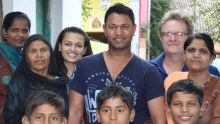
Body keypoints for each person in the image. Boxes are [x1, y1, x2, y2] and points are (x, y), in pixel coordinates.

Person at [67, 3, 166, 124]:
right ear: (104, 29)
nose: (118, 32)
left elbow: (159, 120)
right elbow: (75, 113)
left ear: (134, 29)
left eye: (125, 27)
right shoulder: (84, 66)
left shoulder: (149, 72)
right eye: (112, 27)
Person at [3, 34, 69, 124]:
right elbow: (10, 117)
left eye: (43, 50)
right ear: (26, 57)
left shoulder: (60, 82)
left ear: (50, 53)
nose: (39, 55)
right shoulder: (18, 83)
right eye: (33, 51)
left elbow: (65, 114)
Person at [164, 33, 220, 123]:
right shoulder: (173, 80)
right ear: (184, 56)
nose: (196, 55)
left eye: (203, 51)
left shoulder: (217, 87)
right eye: (191, 50)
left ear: (212, 58)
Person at [149, 10, 220, 80]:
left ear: (190, 37)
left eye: (179, 34)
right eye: (167, 34)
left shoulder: (210, 72)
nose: (172, 39)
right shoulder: (146, 70)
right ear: (161, 37)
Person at [0, 11, 31, 124]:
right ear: (4, 31)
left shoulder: (29, 58)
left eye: (25, 31)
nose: (20, 35)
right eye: (15, 30)